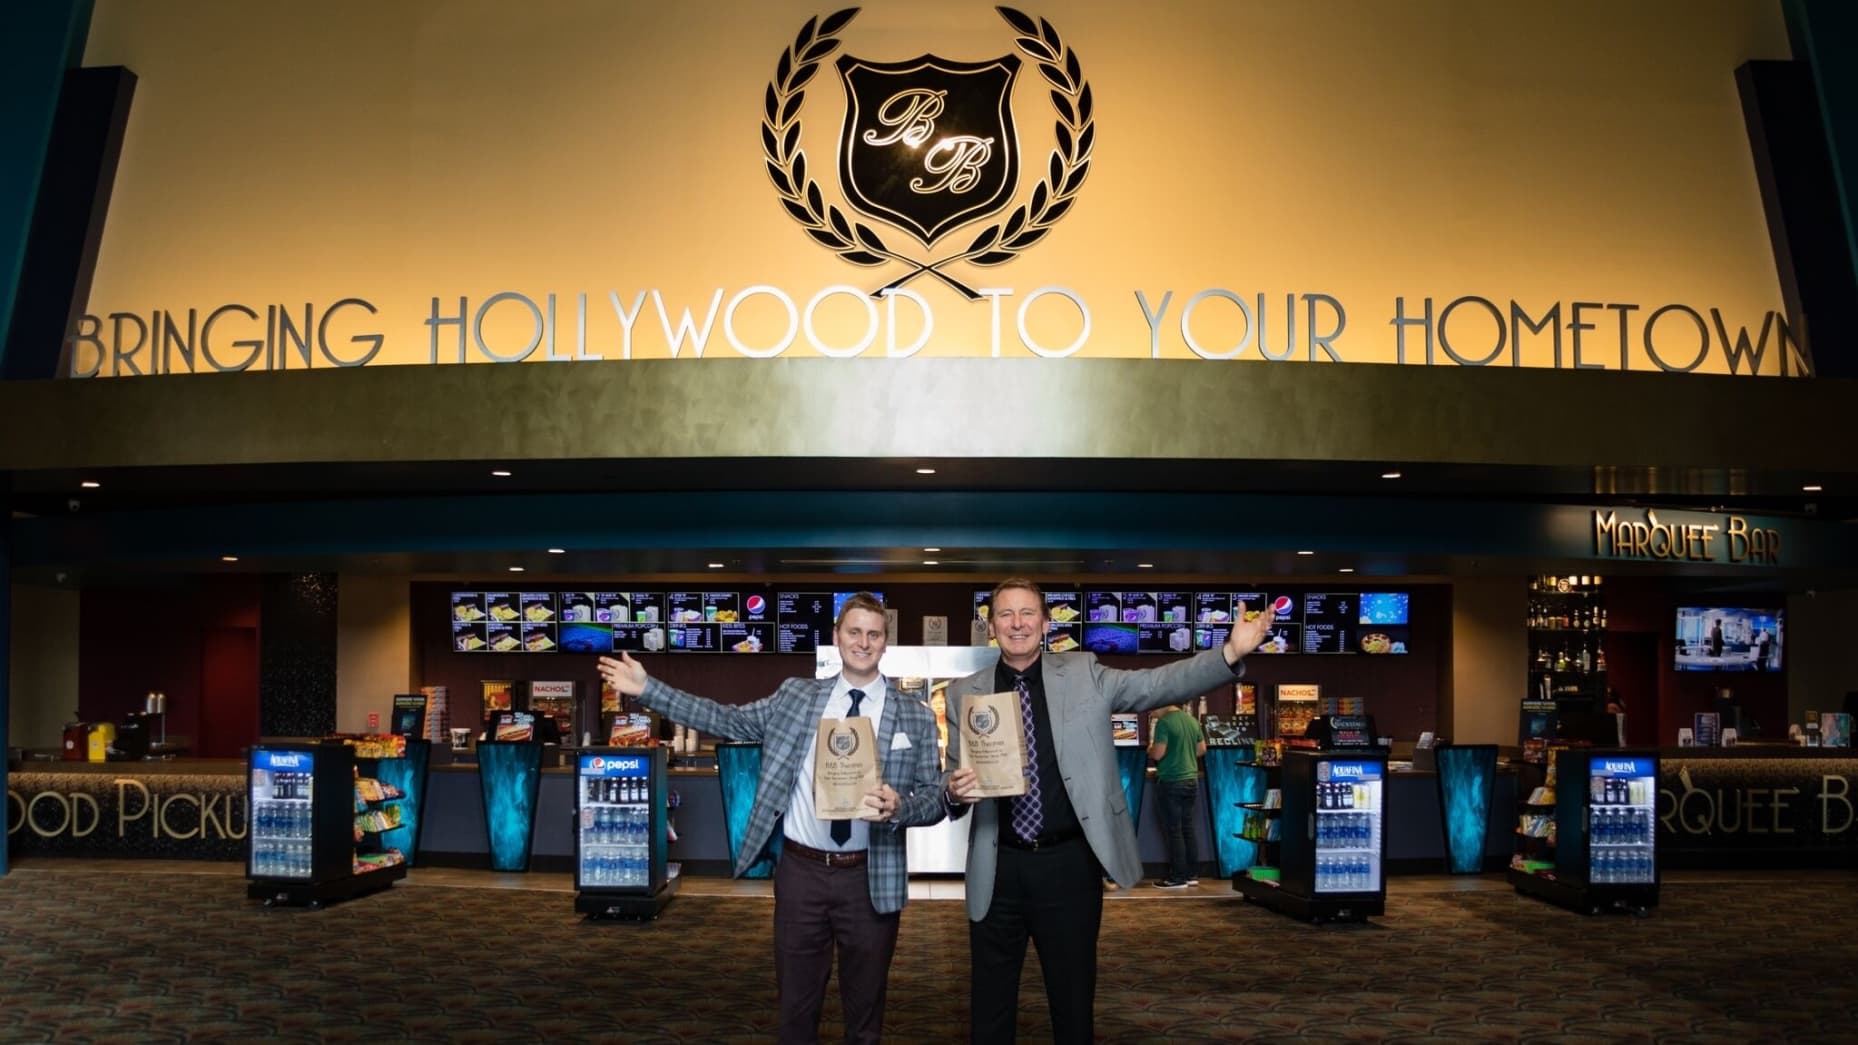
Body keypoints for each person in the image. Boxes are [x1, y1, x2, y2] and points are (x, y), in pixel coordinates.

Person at [596, 592, 943, 1045]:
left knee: (866, 1017)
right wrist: (649, 690)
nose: (863, 642)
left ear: (885, 642)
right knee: (796, 1011)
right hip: (802, 875)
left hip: (871, 877)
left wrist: (901, 807)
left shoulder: (915, 717)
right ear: (837, 637)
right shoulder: (797, 697)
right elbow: (725, 719)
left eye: (873, 634)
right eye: (854, 632)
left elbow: (935, 798)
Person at [941, 578, 1269, 1044]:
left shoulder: (1084, 673)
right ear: (991, 625)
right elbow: (952, 775)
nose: (1017, 624)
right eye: (1006, 614)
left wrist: (1229, 653)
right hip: (998, 866)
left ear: (1046, 622)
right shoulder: (963, 693)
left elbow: (1156, 684)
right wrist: (954, 791)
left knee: (1073, 1001)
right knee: (990, 1009)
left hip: (1068, 865)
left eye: (1027, 613)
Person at [1148, 701, 1206, 888]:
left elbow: (1158, 754)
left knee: (1174, 831)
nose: (1151, 712)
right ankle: (1192, 874)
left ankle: (1177, 877)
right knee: (1187, 827)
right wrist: (1182, 755)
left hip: (1171, 781)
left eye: (1152, 708)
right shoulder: (1191, 720)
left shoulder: (1164, 723)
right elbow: (1201, 749)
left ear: (1161, 704)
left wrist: (1150, 749)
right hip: (1191, 780)